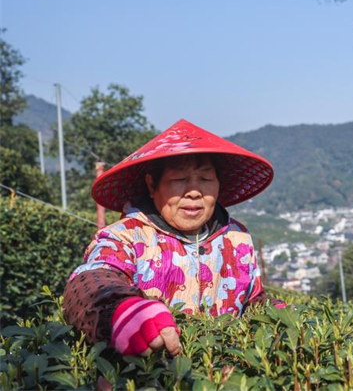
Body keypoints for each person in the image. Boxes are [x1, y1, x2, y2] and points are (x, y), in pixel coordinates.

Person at [63, 119, 284, 358]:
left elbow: (250, 297)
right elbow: (91, 283)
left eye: (206, 179)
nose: (194, 191)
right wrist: (123, 310)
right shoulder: (124, 237)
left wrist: (277, 314)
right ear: (152, 185)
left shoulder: (237, 238)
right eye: (179, 180)